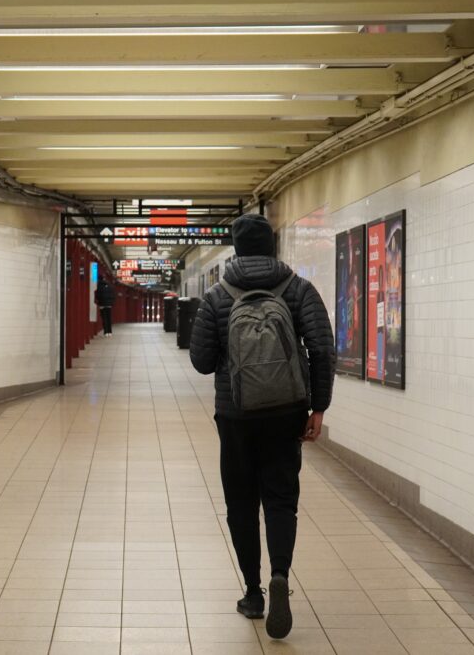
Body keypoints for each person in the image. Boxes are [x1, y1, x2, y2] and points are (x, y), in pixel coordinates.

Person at [189, 213, 335, 640]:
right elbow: (322, 350)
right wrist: (318, 408)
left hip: (235, 415)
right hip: (287, 412)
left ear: (236, 250)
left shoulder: (217, 295)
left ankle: (253, 593)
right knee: (281, 498)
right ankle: (280, 575)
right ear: (273, 246)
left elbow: (201, 362)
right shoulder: (299, 289)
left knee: (241, 503)